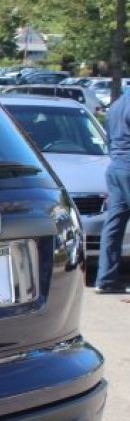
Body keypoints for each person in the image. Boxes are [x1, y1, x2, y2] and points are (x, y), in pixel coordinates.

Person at [94, 85, 130, 293]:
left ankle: (105, 280)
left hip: (116, 167)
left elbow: (109, 140)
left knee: (113, 226)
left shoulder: (116, 106)